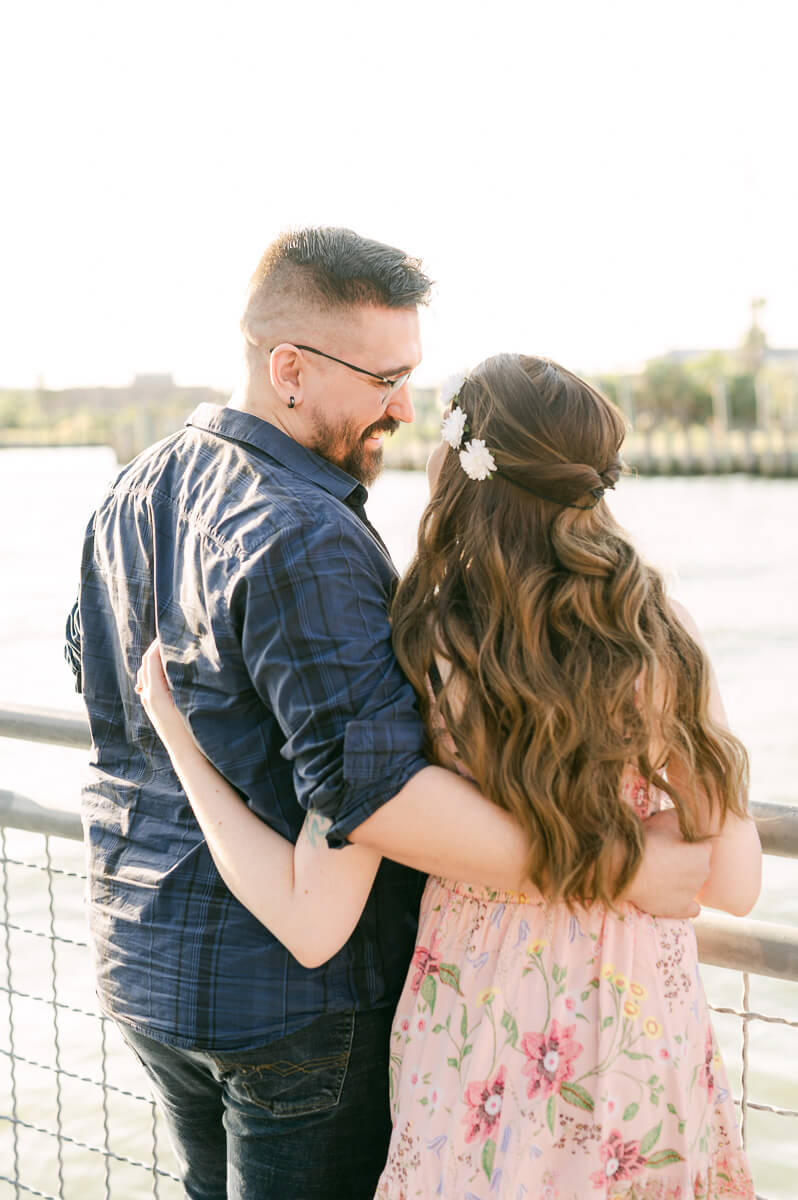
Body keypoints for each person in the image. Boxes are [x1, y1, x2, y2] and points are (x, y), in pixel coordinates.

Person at [66, 227, 713, 1200]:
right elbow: (379, 796)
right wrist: (618, 866)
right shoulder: (308, 532)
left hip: (146, 961)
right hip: (290, 1009)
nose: (406, 409)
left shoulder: (136, 484)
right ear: (288, 368)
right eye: (383, 378)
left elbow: (93, 664)